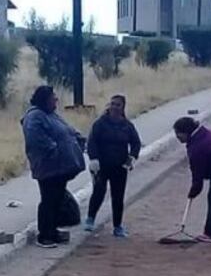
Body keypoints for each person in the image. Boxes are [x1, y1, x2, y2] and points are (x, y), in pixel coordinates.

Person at [21, 85, 86, 248]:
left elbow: (65, 130)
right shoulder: (35, 116)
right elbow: (36, 139)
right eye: (53, 98)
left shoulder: (49, 114)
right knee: (49, 200)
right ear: (44, 99)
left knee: (56, 199)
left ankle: (53, 231)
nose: (56, 100)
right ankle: (45, 235)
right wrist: (55, 150)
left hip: (59, 167)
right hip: (48, 167)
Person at [85, 94, 142, 237]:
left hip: (120, 166)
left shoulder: (127, 125)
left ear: (123, 107)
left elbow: (136, 143)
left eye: (118, 105)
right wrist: (94, 159)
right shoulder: (100, 123)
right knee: (99, 191)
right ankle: (90, 218)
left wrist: (132, 158)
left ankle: (117, 226)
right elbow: (92, 142)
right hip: (102, 165)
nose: (115, 107)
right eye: (112, 104)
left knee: (118, 196)